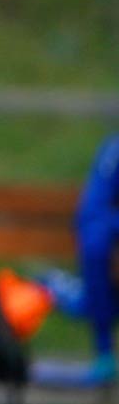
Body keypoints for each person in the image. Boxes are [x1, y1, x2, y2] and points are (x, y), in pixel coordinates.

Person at [39, 136, 119, 386]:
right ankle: (53, 287)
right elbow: (92, 215)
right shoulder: (114, 152)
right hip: (103, 249)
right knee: (96, 244)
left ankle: (56, 287)